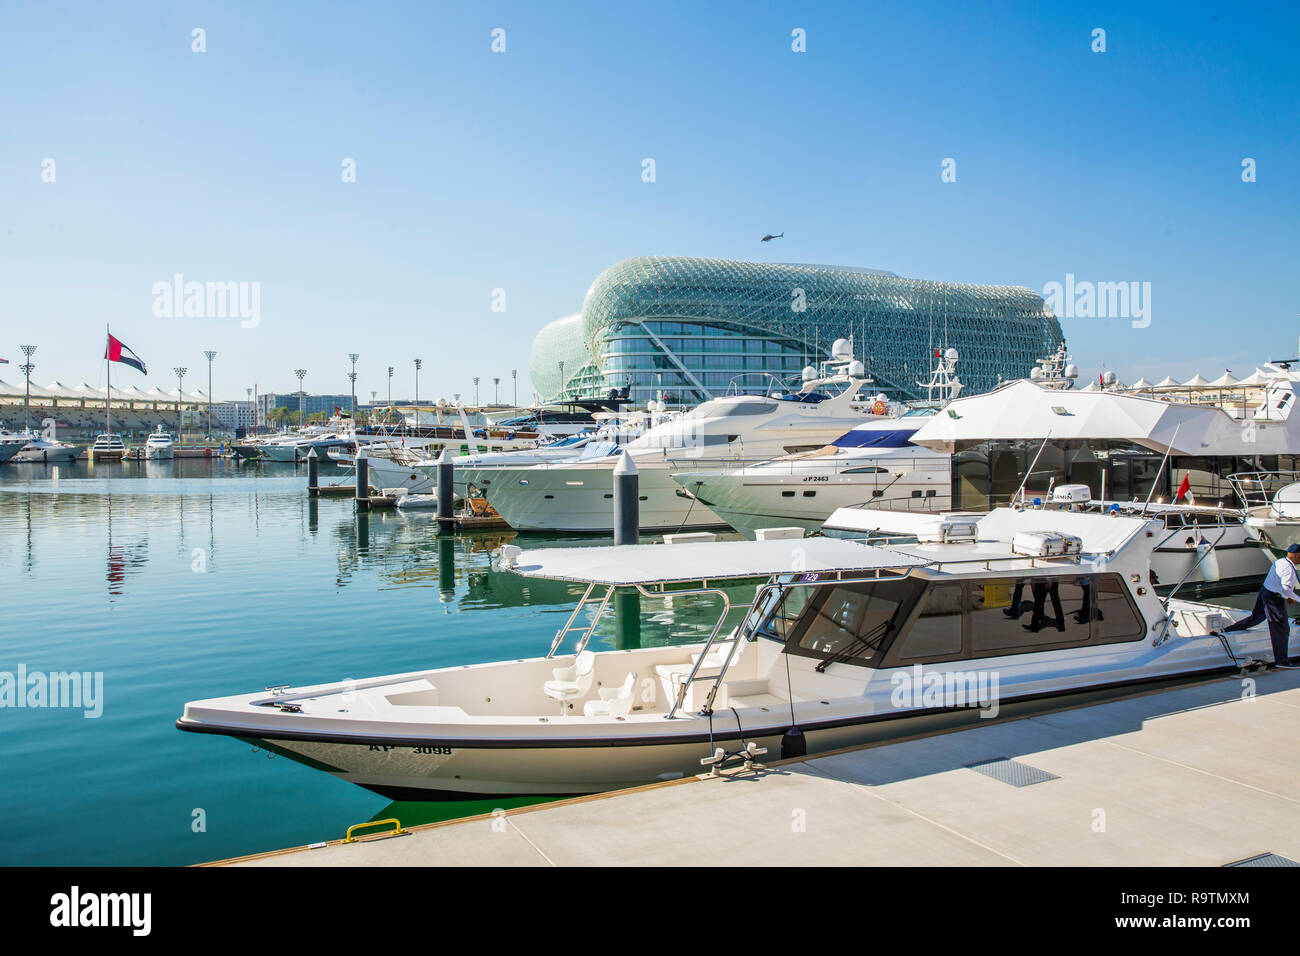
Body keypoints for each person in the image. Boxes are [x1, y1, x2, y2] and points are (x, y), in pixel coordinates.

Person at [1224, 544, 1300, 668]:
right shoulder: (1289, 570)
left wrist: (1290, 594)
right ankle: (1282, 661)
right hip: (1274, 599)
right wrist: (1296, 598)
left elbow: (1279, 581)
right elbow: (1285, 589)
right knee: (1280, 629)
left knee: (1256, 618)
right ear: (1297, 556)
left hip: (1265, 592)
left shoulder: (1280, 561)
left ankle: (1228, 630)